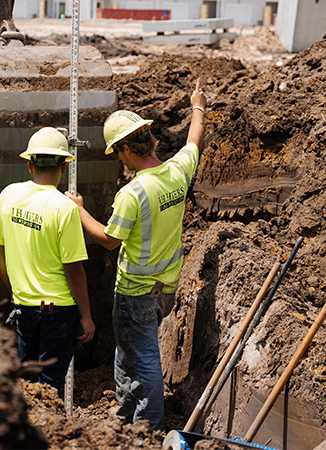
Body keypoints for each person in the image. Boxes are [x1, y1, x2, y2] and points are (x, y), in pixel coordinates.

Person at [65, 78, 207, 430]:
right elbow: (193, 140)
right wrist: (198, 106)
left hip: (135, 291)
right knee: (127, 349)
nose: (119, 160)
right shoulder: (177, 171)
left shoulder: (133, 193)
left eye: (117, 153)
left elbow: (110, 240)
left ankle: (148, 426)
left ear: (126, 149)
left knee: (144, 360)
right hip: (165, 288)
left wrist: (79, 210)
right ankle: (126, 410)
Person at [0, 127, 96, 398]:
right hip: (58, 311)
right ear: (64, 166)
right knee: (50, 387)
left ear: (30, 165)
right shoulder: (65, 208)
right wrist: (86, 316)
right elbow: (74, 270)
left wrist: (13, 288)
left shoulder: (9, 194)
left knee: (27, 382)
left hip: (23, 307)